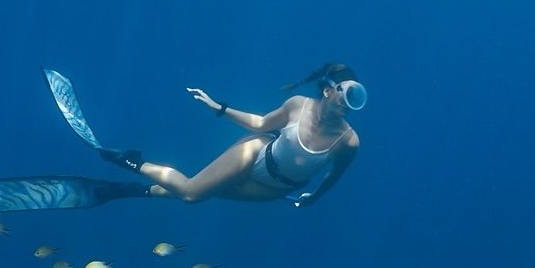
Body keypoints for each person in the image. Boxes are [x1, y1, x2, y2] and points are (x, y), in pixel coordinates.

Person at [100, 62, 364, 206]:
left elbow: (333, 175)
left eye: (354, 96)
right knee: (192, 193)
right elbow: (261, 124)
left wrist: (313, 199)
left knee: (205, 191)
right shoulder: (297, 104)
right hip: (256, 154)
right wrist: (219, 108)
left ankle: (135, 190)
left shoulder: (349, 142)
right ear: (328, 90)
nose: (348, 100)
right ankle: (130, 161)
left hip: (275, 188)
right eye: (345, 92)